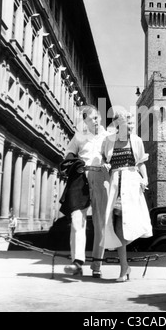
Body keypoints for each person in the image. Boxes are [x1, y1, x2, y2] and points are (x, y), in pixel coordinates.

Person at [101, 110, 153, 282]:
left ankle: (124, 267)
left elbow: (141, 163)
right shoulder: (108, 141)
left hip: (131, 183)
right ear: (117, 125)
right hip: (115, 185)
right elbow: (103, 159)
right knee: (117, 226)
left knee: (130, 224)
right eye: (126, 124)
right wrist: (105, 166)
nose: (130, 127)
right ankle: (124, 267)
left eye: (131, 124)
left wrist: (145, 178)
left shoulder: (136, 141)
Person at [62, 104, 110, 278]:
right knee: (77, 219)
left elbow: (114, 157)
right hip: (81, 178)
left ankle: (97, 264)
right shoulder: (80, 136)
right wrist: (71, 162)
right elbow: (68, 153)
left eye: (97, 117)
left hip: (101, 177)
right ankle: (77, 262)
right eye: (91, 119)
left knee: (100, 222)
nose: (95, 121)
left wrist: (108, 163)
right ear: (85, 122)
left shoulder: (108, 137)